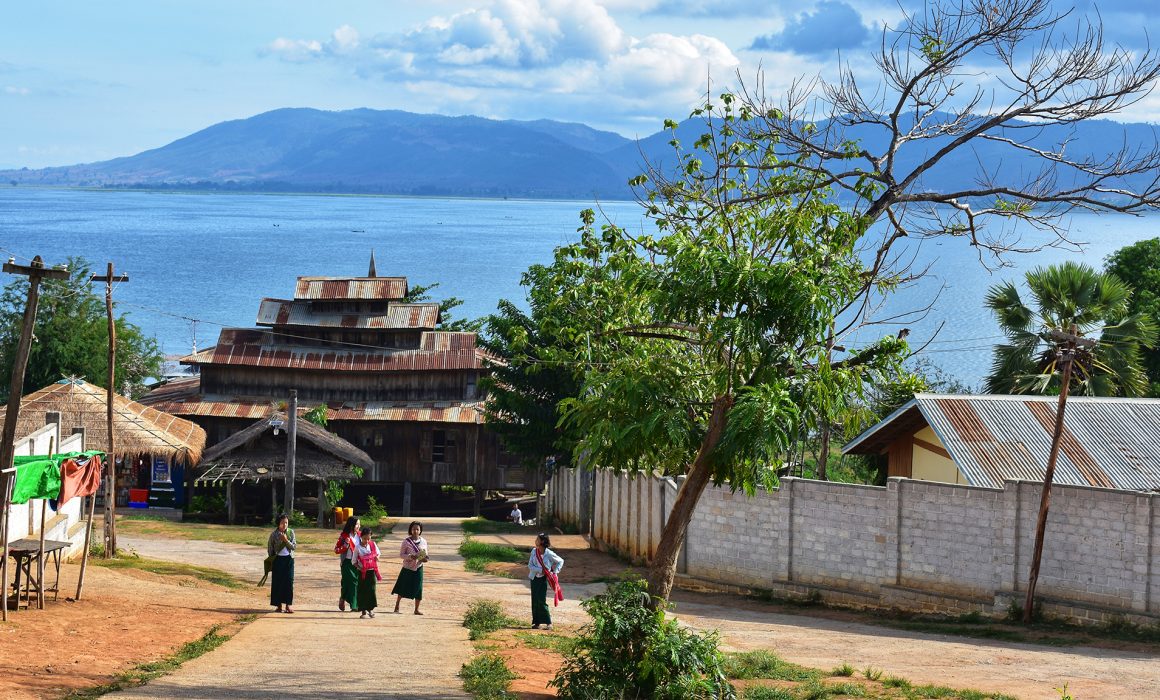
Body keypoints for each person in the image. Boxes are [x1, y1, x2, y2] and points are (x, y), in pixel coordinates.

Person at [527, 532, 564, 630]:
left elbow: (560, 561)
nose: (535, 541)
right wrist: (540, 570)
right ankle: (536, 623)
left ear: (542, 541)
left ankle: (548, 622)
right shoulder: (534, 552)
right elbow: (530, 566)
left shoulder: (549, 553)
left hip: (543, 579)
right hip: (534, 578)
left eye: (537, 539)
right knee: (534, 600)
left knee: (541, 600)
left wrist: (555, 572)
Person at [391, 521, 428, 615]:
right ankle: (397, 605)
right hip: (407, 567)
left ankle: (416, 609)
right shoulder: (406, 542)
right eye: (413, 529)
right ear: (410, 530)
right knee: (403, 586)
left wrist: (424, 559)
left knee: (418, 588)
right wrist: (410, 557)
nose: (415, 531)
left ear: (420, 531)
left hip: (419, 567)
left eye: (417, 529)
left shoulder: (424, 541)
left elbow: (425, 554)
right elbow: (401, 555)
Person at [268, 513, 296, 613]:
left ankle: (288, 605)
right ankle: (278, 605)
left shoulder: (291, 532)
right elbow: (270, 548)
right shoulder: (274, 534)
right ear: (278, 524)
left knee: (289, 582)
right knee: (277, 583)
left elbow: (294, 547)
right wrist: (271, 561)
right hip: (278, 561)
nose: (284, 525)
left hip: (289, 560)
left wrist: (286, 540)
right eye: (282, 523)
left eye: (286, 523)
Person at [335, 515, 361, 612]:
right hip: (346, 563)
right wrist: (345, 545)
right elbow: (336, 550)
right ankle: (354, 606)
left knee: (348, 583)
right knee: (353, 583)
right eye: (356, 524)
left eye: (359, 524)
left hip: (357, 564)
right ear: (351, 525)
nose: (358, 526)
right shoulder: (344, 536)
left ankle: (342, 598)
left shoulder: (360, 536)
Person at [356, 526, 381, 618]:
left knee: (371, 590)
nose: (366, 541)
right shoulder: (357, 548)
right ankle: (363, 611)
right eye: (364, 538)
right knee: (362, 590)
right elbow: (354, 561)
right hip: (362, 572)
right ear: (361, 537)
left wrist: (377, 558)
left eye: (368, 538)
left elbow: (378, 554)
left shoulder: (373, 545)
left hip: (371, 572)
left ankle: (370, 610)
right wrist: (360, 567)